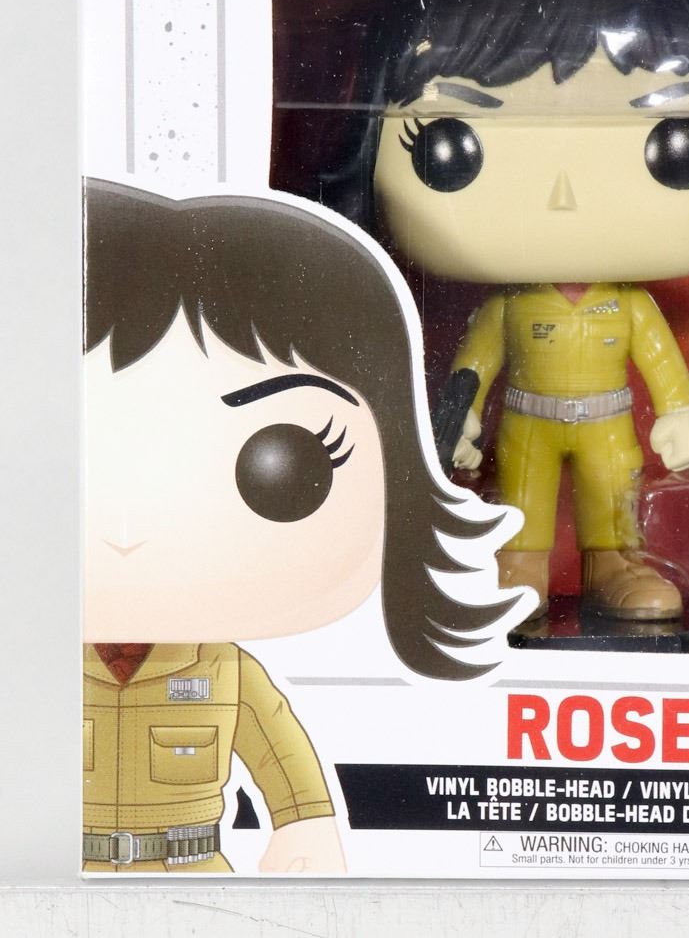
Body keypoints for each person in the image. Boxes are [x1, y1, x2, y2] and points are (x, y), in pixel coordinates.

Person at [323, 0, 689, 621]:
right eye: (449, 146)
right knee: (521, 497)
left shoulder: (631, 306)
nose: (563, 196)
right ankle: (519, 566)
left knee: (613, 496)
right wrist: (459, 416)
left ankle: (615, 563)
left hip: (606, 421)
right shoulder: (508, 308)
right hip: (526, 420)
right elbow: (475, 365)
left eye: (679, 143)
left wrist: (680, 413)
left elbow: (660, 359)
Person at [83, 180, 511, 872]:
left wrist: (304, 827)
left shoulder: (223, 671)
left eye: (283, 466)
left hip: (194, 873)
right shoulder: (30, 672)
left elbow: (281, 757)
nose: (128, 530)